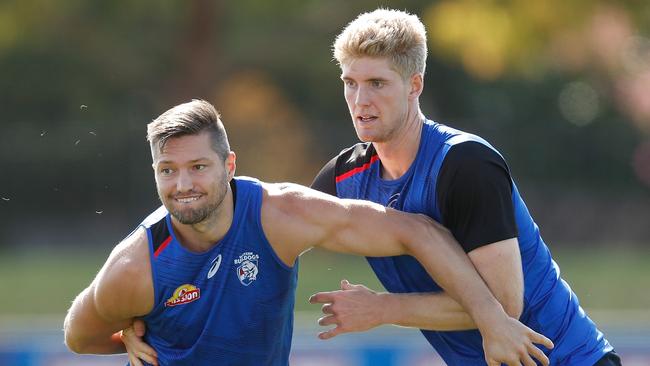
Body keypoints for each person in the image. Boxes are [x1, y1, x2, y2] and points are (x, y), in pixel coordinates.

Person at [63, 100, 554, 366]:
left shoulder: (282, 216)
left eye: (197, 166)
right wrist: (125, 337)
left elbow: (416, 232)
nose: (183, 184)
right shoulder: (135, 268)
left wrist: (491, 319)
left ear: (229, 165)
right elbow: (77, 336)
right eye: (167, 170)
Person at [308, 8, 621, 366]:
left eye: (377, 83)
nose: (361, 100)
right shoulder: (346, 176)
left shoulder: (465, 164)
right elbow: (281, 222)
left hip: (570, 360)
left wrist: (382, 308)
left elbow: (504, 304)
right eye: (351, 82)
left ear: (415, 85)